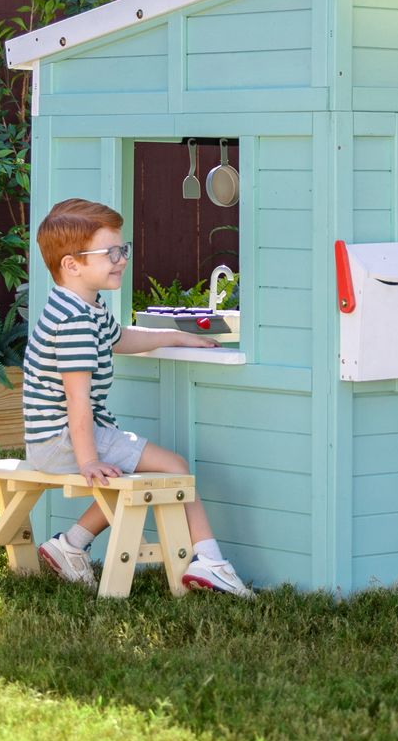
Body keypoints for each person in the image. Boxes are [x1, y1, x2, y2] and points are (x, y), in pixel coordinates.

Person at [22, 197, 253, 597]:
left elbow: (123, 338)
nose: (121, 259)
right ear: (72, 264)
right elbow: (76, 398)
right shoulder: (75, 321)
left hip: (57, 438)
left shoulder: (84, 307)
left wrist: (178, 335)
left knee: (139, 472)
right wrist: (89, 458)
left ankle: (71, 545)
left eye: (122, 249)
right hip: (64, 439)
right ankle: (211, 561)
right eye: (109, 252)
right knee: (175, 467)